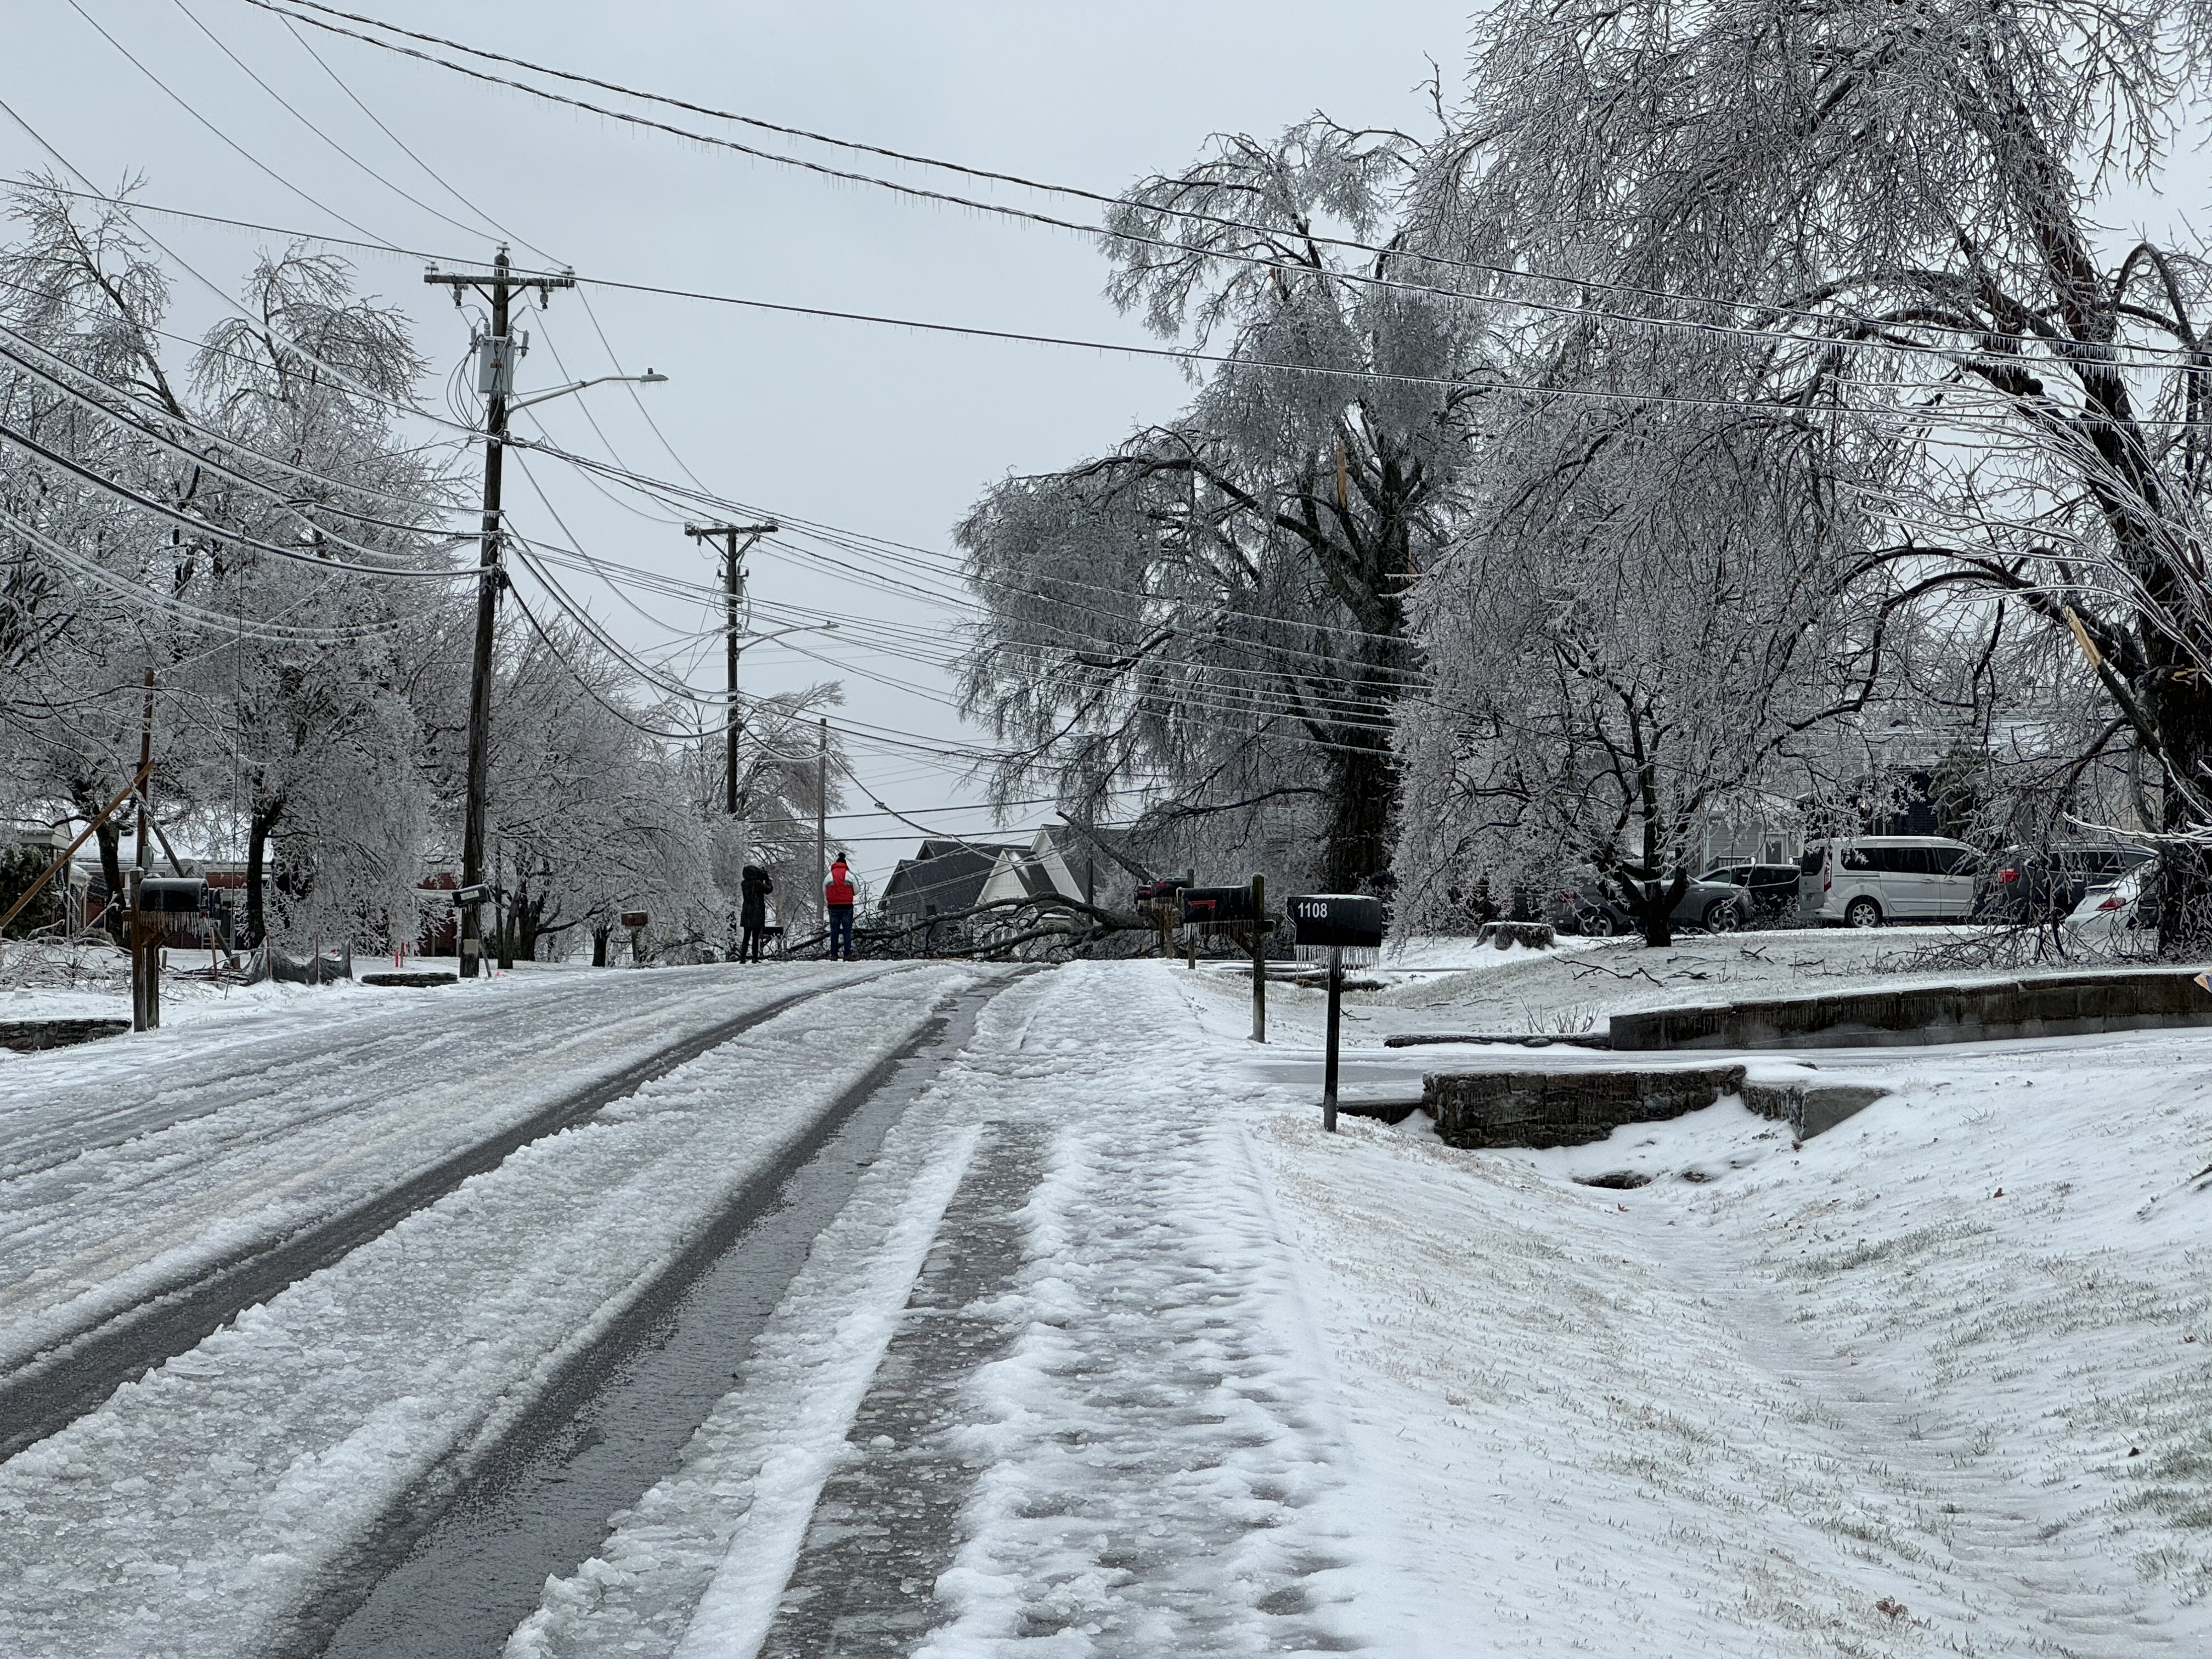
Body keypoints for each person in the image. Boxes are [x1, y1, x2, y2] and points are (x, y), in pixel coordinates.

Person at [825, 851, 856, 961]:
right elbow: (857, 890)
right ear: (845, 864)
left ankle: (834, 955)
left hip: (833, 907)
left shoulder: (829, 875)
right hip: (847, 906)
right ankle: (847, 954)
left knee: (834, 931)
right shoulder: (850, 875)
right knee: (847, 931)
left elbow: (824, 890)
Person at [739, 864, 773, 962]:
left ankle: (743, 958)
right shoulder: (757, 884)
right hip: (757, 912)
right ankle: (755, 958)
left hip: (746, 912)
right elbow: (768, 890)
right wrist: (767, 879)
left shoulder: (744, 884)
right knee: (755, 937)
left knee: (746, 936)